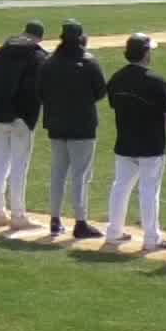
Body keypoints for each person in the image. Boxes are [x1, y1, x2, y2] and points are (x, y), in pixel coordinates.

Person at [103, 33, 166, 250]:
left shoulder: (116, 79)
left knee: (120, 187)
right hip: (151, 145)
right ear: (145, 53)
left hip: (125, 142)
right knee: (149, 191)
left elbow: (115, 106)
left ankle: (114, 232)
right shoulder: (156, 81)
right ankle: (151, 238)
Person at [38, 21, 107, 239]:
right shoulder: (88, 62)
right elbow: (100, 92)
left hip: (56, 124)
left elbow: (40, 91)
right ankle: (80, 221)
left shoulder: (49, 62)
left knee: (58, 173)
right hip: (82, 125)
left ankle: (55, 220)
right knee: (81, 175)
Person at [0, 21, 49, 230]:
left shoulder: (0, 51)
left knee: (0, 161)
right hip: (21, 119)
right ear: (39, 37)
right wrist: (29, 117)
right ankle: (18, 215)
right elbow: (36, 90)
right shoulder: (38, 57)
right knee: (19, 166)